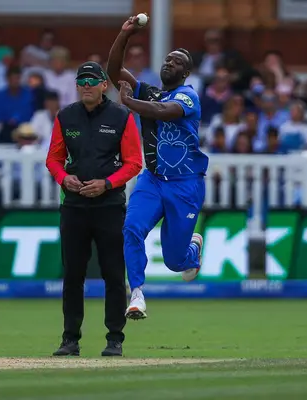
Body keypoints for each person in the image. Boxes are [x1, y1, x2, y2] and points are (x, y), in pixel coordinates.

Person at [107, 15, 209, 320]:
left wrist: (130, 104)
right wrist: (124, 35)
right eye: (167, 59)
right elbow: (113, 72)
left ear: (186, 72)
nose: (170, 63)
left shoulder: (188, 96)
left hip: (185, 185)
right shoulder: (148, 92)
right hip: (152, 179)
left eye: (177, 62)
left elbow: (165, 112)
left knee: (175, 262)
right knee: (131, 228)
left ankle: (191, 249)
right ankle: (136, 293)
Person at [45, 61, 142, 357]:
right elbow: (53, 159)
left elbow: (134, 162)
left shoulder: (121, 116)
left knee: (114, 273)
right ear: (76, 86)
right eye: (81, 80)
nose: (86, 85)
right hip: (74, 206)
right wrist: (64, 178)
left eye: (92, 80)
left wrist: (107, 184)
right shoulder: (66, 116)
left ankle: (115, 339)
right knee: (73, 275)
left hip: (109, 206)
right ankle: (70, 339)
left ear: (104, 86)